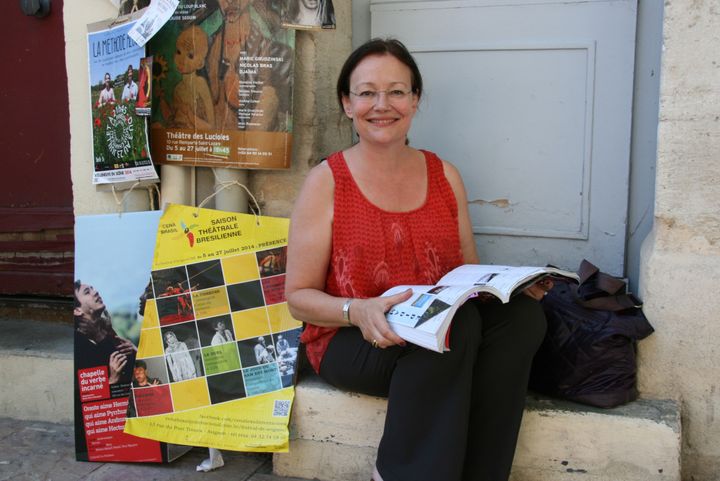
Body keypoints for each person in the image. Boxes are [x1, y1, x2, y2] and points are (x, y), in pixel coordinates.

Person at [284, 38, 553, 481]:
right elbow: (298, 299)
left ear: (415, 100)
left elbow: (470, 275)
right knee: (452, 329)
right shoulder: (327, 182)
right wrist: (359, 309)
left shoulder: (445, 175)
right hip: (355, 337)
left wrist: (512, 288)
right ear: (347, 104)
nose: (381, 104)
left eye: (396, 91)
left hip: (438, 327)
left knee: (520, 319)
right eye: (366, 92)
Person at [73, 280, 137, 385]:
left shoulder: (105, 333)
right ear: (77, 310)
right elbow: (86, 393)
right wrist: (112, 380)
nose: (95, 292)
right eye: (87, 292)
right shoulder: (78, 346)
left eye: (92, 288)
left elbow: (131, 370)